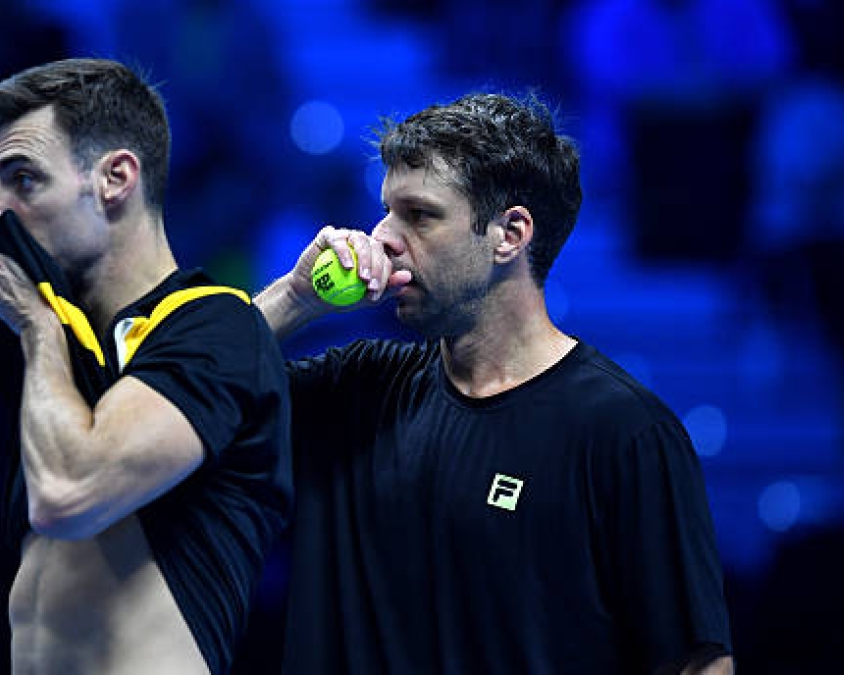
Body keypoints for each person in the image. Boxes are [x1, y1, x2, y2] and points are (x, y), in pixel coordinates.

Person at [255, 92, 734, 673]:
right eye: (386, 211)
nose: (382, 236)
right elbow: (181, 386)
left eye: (419, 215)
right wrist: (294, 297)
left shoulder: (625, 432)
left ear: (510, 234)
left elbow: (697, 664)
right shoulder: (354, 390)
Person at [0, 58, 290, 674]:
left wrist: (35, 327)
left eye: (23, 178)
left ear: (115, 178)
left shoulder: (213, 325)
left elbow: (68, 496)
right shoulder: (73, 343)